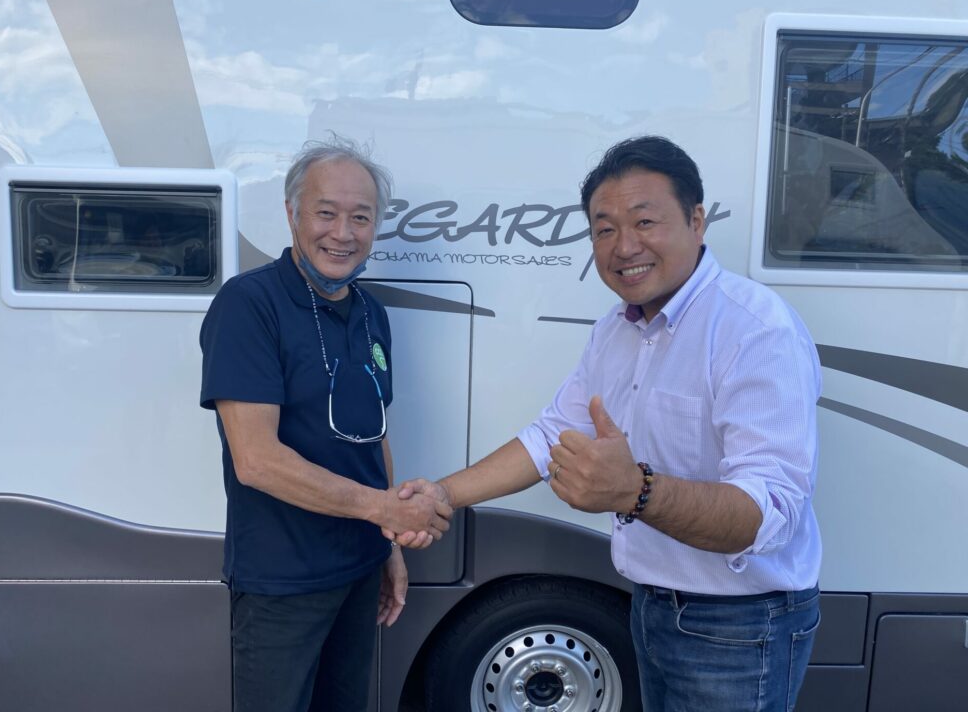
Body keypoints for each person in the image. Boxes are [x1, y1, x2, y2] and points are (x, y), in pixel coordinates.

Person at [396, 135, 822, 712]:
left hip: (741, 625)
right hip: (650, 604)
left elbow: (768, 513)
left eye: (645, 221)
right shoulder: (617, 330)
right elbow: (551, 436)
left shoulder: (754, 329)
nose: (624, 247)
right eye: (604, 229)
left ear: (697, 221)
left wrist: (636, 491)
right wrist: (443, 494)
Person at [200, 136, 452, 712]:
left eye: (360, 217)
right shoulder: (249, 304)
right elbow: (257, 461)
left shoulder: (371, 312)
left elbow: (373, 436)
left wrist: (387, 545)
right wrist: (385, 511)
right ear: (292, 213)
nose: (343, 233)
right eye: (326, 213)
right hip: (283, 580)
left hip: (360, 570)